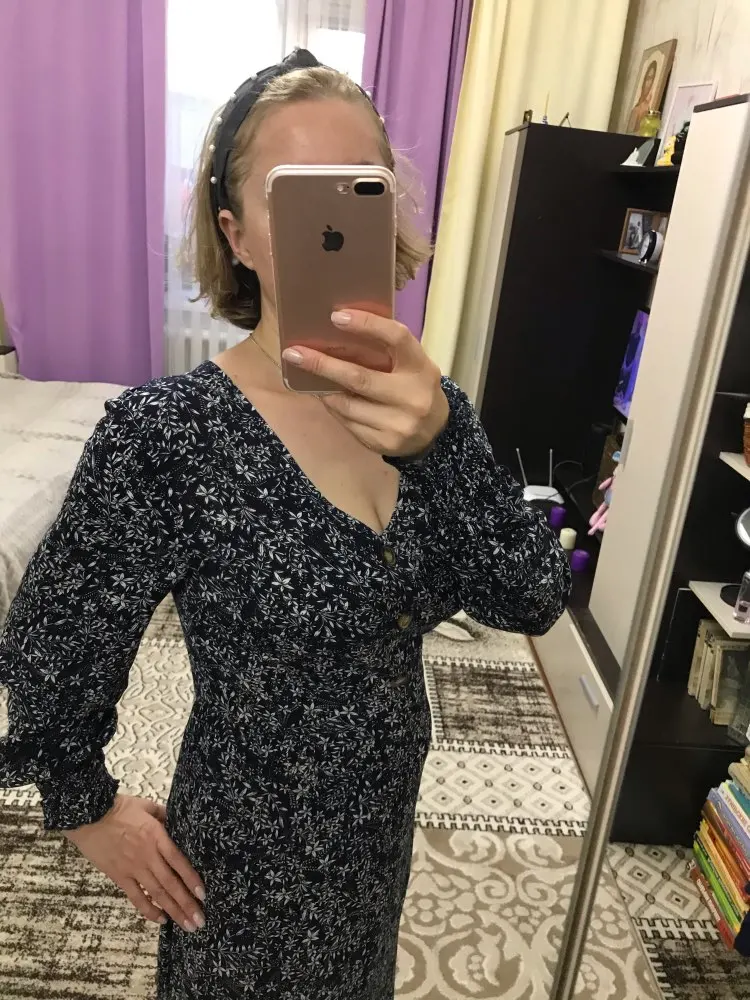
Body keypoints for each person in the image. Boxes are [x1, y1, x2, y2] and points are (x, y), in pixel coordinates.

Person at [0, 49, 570, 999]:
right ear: (239, 235)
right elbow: (52, 642)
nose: (337, 225)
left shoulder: (432, 413)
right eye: (299, 198)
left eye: (362, 189)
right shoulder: (171, 434)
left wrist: (443, 443)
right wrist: (86, 809)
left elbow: (531, 597)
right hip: (245, 870)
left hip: (377, 845)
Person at [627, 58, 658, 133]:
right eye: (648, 78)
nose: (650, 83)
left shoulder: (650, 107)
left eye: (652, 79)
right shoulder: (636, 110)